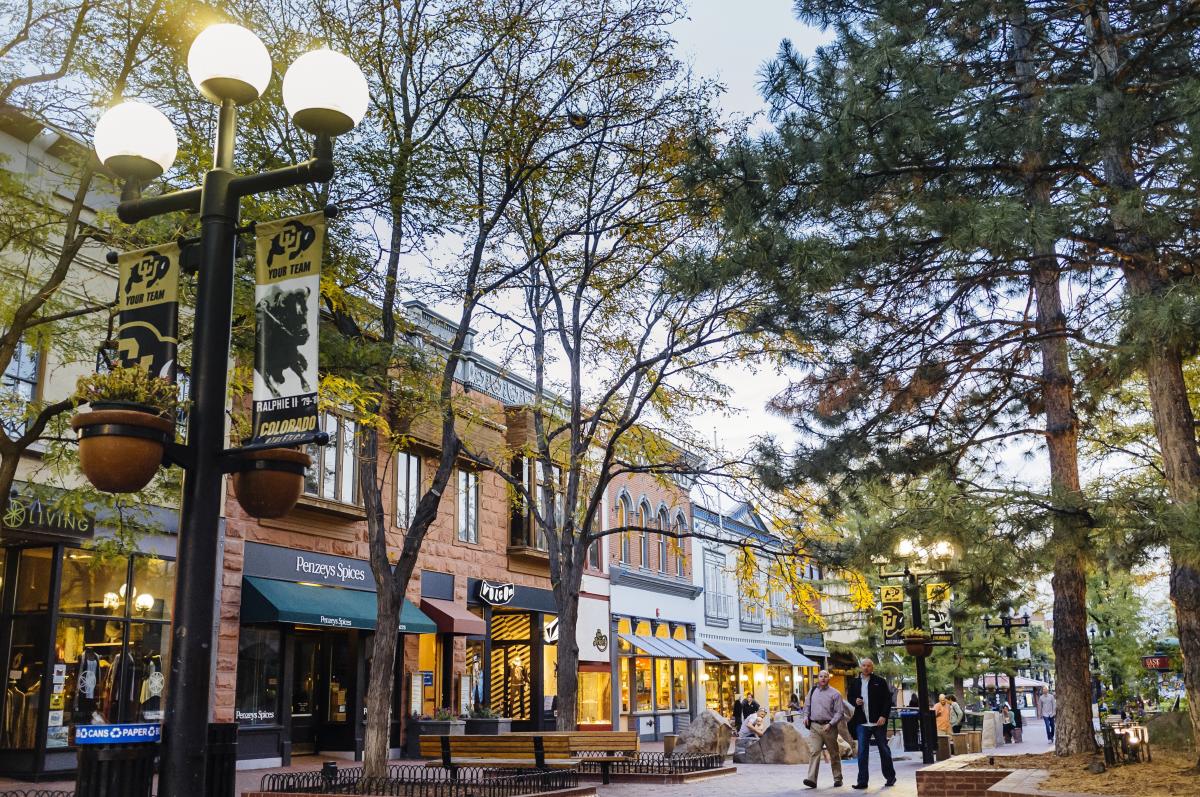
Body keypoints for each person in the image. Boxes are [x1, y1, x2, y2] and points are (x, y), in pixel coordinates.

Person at [848, 657, 896, 790]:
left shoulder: (879, 682)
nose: (866, 668)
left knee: (884, 750)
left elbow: (887, 700)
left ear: (872, 668)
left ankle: (890, 777)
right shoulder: (855, 682)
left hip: (878, 722)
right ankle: (862, 781)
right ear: (860, 667)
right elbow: (849, 697)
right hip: (862, 723)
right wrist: (854, 701)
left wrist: (883, 716)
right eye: (864, 665)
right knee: (862, 752)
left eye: (869, 666)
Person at [801, 670, 845, 789]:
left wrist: (831, 724)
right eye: (821, 676)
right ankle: (811, 779)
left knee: (834, 753)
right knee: (814, 751)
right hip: (814, 726)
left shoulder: (835, 694)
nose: (823, 678)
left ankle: (837, 779)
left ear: (828, 678)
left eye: (825, 676)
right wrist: (805, 717)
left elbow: (840, 712)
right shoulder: (812, 691)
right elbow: (807, 707)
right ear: (818, 678)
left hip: (829, 727)